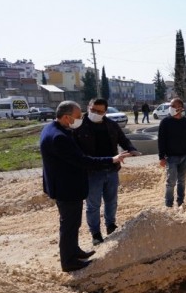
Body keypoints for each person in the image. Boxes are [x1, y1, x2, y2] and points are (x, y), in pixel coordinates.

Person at [40, 101, 128, 272]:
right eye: (78, 117)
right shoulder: (59, 137)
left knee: (73, 224)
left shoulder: (52, 128)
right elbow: (83, 161)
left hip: (63, 185)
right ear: (66, 117)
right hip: (67, 189)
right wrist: (112, 159)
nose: (81, 119)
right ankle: (69, 261)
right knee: (69, 225)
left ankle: (75, 251)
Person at [75, 98, 141, 245]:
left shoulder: (111, 125)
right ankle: (96, 233)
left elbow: (123, 139)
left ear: (105, 112)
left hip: (111, 170)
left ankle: (110, 225)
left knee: (111, 201)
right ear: (88, 107)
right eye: (93, 110)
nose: (96, 113)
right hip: (92, 172)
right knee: (93, 205)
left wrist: (132, 149)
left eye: (100, 111)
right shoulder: (80, 126)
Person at [158, 98, 186, 208]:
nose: (170, 108)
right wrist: (161, 157)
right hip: (171, 158)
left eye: (173, 106)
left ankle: (180, 202)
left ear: (180, 108)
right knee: (171, 182)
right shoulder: (165, 122)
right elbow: (161, 140)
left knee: (182, 181)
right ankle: (168, 205)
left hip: (185, 157)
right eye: (170, 105)